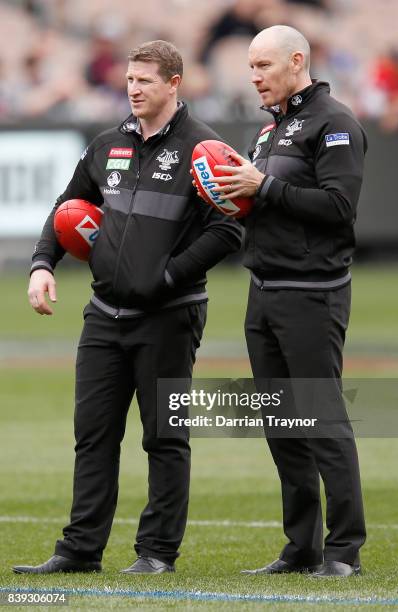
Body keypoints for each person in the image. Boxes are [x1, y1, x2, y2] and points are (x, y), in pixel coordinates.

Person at [14, 40, 242, 575]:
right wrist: (43, 263)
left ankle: (157, 553)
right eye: (130, 80)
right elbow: (65, 206)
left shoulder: (203, 149)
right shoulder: (107, 145)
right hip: (103, 315)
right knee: (93, 435)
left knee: (164, 439)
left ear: (173, 84)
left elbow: (229, 229)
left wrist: (165, 276)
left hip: (169, 316)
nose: (133, 89)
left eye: (144, 81)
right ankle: (79, 551)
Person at [210, 25, 366, 578]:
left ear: (296, 61)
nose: (254, 77)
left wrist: (264, 188)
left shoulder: (336, 123)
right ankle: (302, 547)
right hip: (264, 293)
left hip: (312, 294)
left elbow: (339, 206)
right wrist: (237, 199)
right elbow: (263, 201)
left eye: (263, 67)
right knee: (282, 425)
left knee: (323, 419)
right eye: (250, 68)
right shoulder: (271, 131)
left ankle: (344, 550)